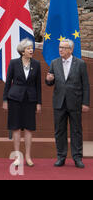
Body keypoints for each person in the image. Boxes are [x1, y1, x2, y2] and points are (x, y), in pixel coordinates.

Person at [46, 38, 90, 168]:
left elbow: (86, 85)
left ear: (71, 50)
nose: (60, 50)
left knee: (76, 131)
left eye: (64, 48)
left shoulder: (80, 64)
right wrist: (48, 79)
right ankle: (61, 156)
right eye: (60, 47)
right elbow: (50, 82)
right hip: (59, 102)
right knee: (60, 131)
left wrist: (85, 103)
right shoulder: (54, 63)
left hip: (75, 102)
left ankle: (77, 157)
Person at [3, 38, 42, 167]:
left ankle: (28, 156)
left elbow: (38, 86)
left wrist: (38, 103)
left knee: (29, 128)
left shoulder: (36, 64)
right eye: (28, 48)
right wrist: (5, 100)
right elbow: (8, 82)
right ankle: (17, 156)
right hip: (14, 99)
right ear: (22, 51)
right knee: (16, 127)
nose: (31, 50)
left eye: (32, 48)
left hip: (30, 100)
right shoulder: (14, 63)